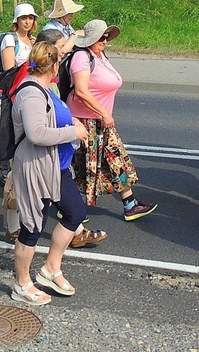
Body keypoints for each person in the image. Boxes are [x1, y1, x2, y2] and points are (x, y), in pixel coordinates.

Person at [10, 42, 89, 306]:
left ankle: (50, 269)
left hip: (57, 166)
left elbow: (55, 116)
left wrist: (72, 121)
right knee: (33, 226)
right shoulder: (31, 93)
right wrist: (73, 132)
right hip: (37, 167)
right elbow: (36, 133)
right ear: (54, 65)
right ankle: (21, 284)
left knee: (75, 212)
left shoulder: (46, 88)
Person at [67, 19, 158, 221]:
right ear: (90, 39)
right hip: (85, 121)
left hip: (100, 122)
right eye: (101, 37)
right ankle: (68, 206)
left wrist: (104, 116)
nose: (105, 41)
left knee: (117, 161)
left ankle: (130, 205)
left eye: (106, 37)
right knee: (81, 167)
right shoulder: (81, 58)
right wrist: (104, 113)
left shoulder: (99, 56)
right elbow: (81, 91)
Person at [1, 3, 38, 71]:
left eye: (31, 18)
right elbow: (9, 71)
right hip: (17, 80)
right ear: (17, 20)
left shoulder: (32, 40)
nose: (27, 22)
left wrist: (37, 48)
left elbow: (34, 65)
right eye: (24, 18)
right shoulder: (9, 39)